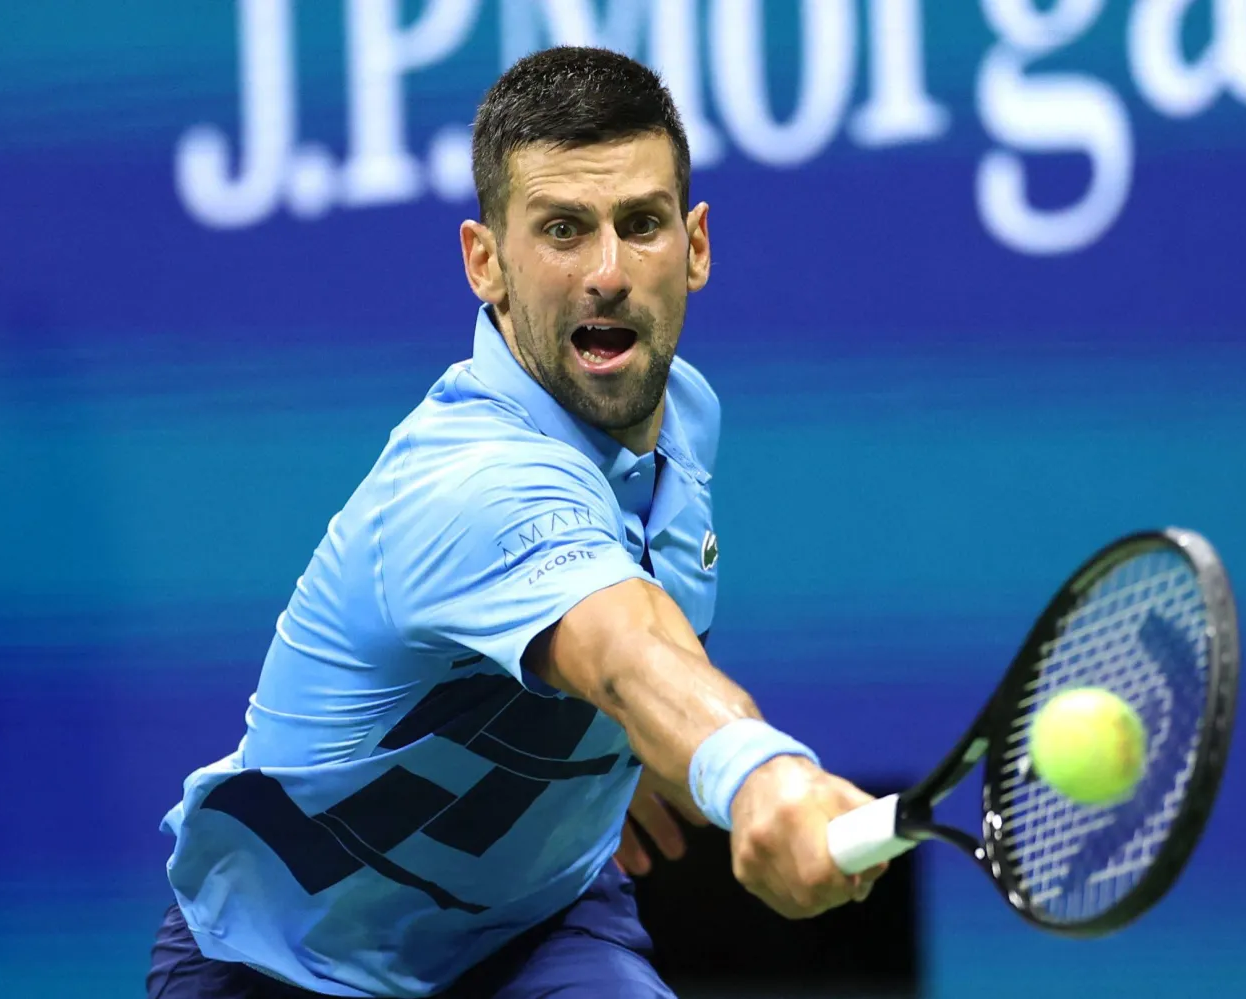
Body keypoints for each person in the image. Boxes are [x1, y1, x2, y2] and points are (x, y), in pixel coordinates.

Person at [147, 46, 885, 999]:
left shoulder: (684, 415)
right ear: (485, 262)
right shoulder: (473, 482)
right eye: (564, 230)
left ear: (695, 246)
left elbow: (635, 653)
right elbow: (623, 647)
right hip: (284, 964)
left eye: (643, 224)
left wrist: (630, 750)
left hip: (533, 929)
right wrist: (756, 771)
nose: (610, 272)